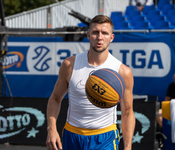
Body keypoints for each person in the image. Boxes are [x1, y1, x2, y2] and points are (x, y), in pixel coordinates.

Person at [46, 15, 135, 150]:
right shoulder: (70, 65)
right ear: (88, 35)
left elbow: (127, 112)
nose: (99, 37)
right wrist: (51, 129)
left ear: (111, 38)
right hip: (72, 134)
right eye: (95, 32)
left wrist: (128, 148)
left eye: (105, 33)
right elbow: (55, 98)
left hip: (104, 137)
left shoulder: (123, 72)